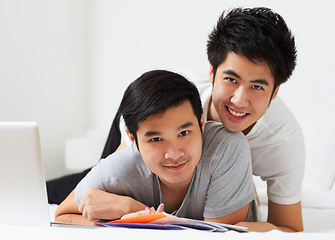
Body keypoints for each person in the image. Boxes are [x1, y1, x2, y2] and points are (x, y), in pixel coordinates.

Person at [49, 7, 305, 231]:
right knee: (81, 186)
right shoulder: (177, 104)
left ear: (275, 91)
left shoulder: (283, 141)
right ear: (212, 73)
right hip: (141, 114)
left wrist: (236, 190)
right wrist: (124, 205)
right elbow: (127, 172)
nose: (239, 100)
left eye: (257, 87)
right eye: (231, 79)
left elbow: (288, 228)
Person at [55, 70, 256, 226]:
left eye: (184, 134)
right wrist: (125, 209)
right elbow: (62, 215)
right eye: (156, 139)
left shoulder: (226, 149)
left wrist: (143, 218)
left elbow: (222, 235)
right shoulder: (121, 167)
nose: (175, 154)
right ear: (133, 140)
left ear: (201, 124)